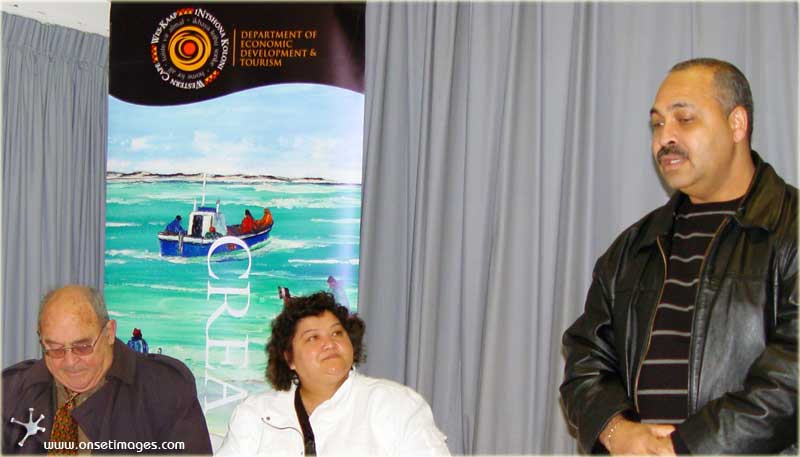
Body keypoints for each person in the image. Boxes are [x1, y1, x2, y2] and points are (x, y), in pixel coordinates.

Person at [560, 58, 797, 455]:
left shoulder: (790, 229)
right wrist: (619, 432)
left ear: (737, 124)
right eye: (656, 124)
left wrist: (684, 448)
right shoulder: (633, 247)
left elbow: (791, 381)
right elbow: (585, 362)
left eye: (684, 120)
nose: (664, 137)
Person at [217, 291, 450, 456]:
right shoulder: (256, 414)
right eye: (313, 338)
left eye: (337, 334)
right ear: (289, 358)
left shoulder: (395, 405)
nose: (329, 344)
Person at [2, 285, 212, 454]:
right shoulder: (11, 391)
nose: (69, 361)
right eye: (55, 349)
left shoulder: (164, 390)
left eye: (82, 347)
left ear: (109, 333)